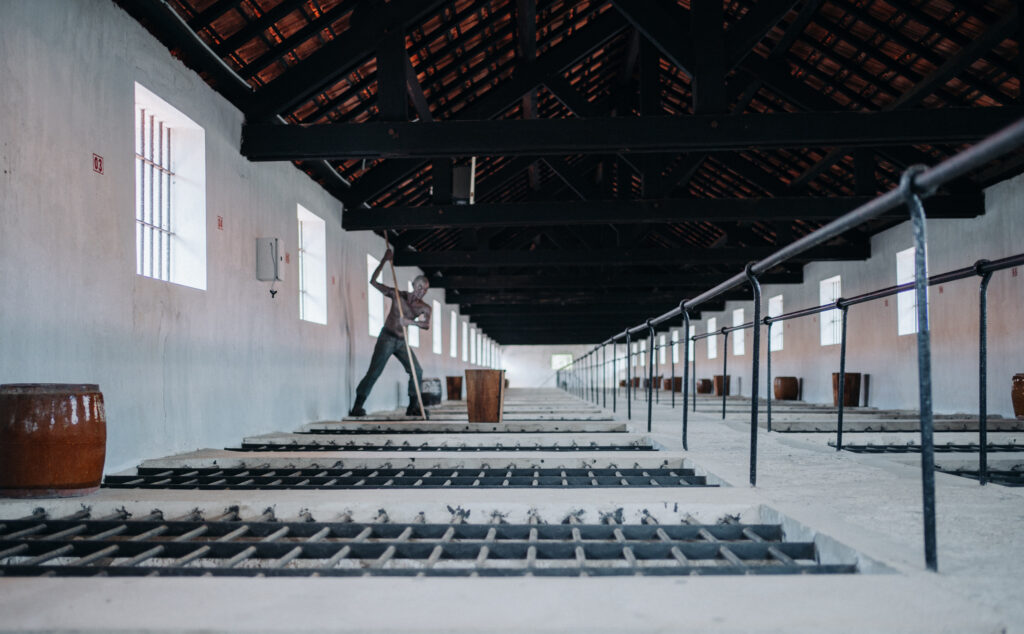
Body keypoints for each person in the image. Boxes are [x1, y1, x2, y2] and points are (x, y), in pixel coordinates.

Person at [350, 248, 432, 418]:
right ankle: (357, 406)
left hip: (402, 342)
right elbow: (373, 281)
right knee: (375, 371)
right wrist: (384, 260)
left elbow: (426, 325)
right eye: (419, 287)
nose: (420, 292)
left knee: (417, 371)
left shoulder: (424, 307)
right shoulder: (397, 295)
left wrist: (411, 322)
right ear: (413, 285)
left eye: (424, 290)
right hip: (387, 338)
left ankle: (412, 407)